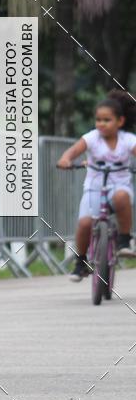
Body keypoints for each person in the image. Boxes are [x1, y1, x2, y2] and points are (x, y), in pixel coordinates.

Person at [57, 89, 136, 280]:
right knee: (85, 223)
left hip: (119, 187)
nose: (101, 124)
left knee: (121, 197)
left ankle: (125, 241)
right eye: (98, 120)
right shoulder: (91, 138)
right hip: (94, 188)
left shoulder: (128, 140)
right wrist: (65, 160)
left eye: (107, 120)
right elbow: (72, 152)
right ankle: (81, 262)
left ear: (120, 122)